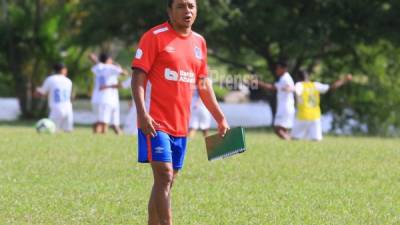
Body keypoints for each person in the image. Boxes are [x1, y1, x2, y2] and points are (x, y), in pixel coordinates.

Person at [131, 0, 229, 224]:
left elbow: (203, 85)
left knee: (166, 181)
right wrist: (142, 114)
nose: (187, 11)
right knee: (164, 175)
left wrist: (220, 117)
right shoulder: (154, 36)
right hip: (155, 123)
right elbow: (137, 79)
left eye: (191, 6)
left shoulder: (199, 42)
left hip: (180, 125)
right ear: (169, 10)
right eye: (181, 6)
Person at [292, 70, 352, 141]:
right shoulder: (315, 85)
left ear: (298, 77)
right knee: (316, 140)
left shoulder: (299, 85)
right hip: (315, 116)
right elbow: (331, 87)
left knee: (295, 138)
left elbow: (295, 91)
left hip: (302, 115)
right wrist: (344, 80)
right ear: (308, 77)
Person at [255, 61, 295, 140]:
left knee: (277, 129)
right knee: (283, 129)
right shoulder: (285, 78)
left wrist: (259, 83)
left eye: (278, 68)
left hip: (285, 107)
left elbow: (273, 88)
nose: (276, 70)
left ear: (284, 69)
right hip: (287, 106)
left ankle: (290, 141)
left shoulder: (285, 78)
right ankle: (291, 141)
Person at [90, 53, 125, 134]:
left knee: (97, 120)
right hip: (106, 98)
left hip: (96, 97)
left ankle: (95, 135)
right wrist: (117, 66)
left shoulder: (97, 67)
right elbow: (123, 73)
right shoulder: (111, 67)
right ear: (108, 59)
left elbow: (98, 65)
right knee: (104, 121)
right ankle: (103, 135)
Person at [35, 63, 73, 132]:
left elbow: (42, 93)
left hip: (56, 108)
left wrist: (37, 90)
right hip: (68, 108)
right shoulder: (68, 81)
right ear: (63, 70)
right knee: (68, 131)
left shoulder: (50, 79)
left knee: (53, 130)